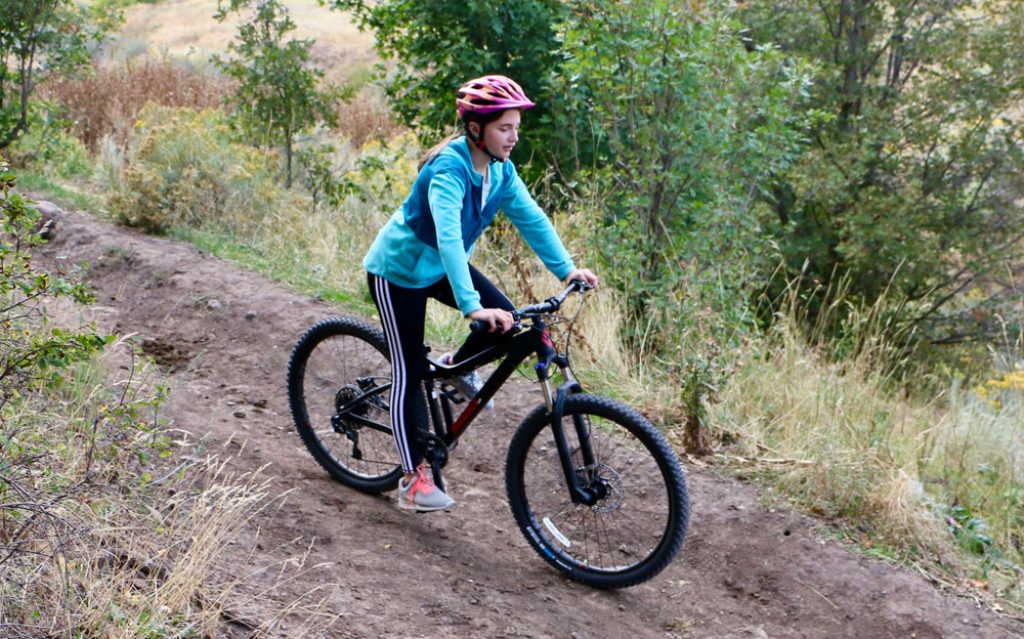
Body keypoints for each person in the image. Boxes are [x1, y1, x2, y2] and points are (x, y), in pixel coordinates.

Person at [363, 75, 599, 512]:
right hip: (398, 271)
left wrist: (567, 270)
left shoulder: (501, 171)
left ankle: (454, 368)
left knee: (507, 321)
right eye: (504, 128)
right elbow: (450, 240)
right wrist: (472, 306)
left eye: (515, 128)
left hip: (439, 267)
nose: (513, 137)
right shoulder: (448, 170)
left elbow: (532, 219)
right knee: (410, 370)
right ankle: (411, 478)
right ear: (476, 129)